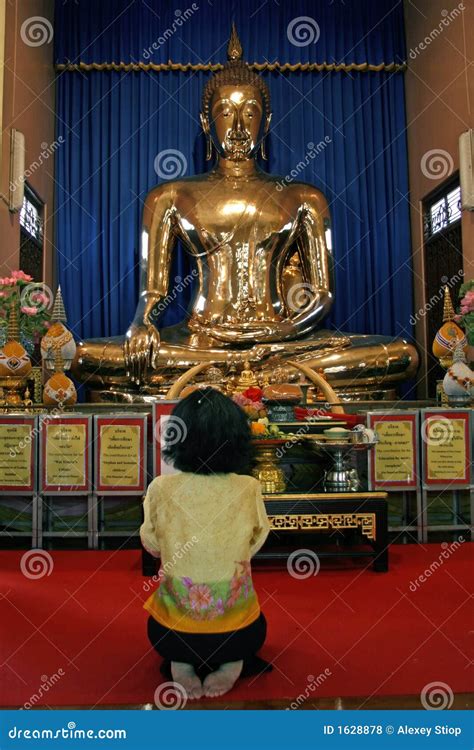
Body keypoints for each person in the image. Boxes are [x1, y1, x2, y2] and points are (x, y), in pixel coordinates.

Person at [140, 387, 271, 699]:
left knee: (165, 625)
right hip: (239, 631)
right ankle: (232, 660)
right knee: (252, 624)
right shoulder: (248, 487)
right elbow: (257, 538)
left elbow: (151, 542)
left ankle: (181, 661)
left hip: (171, 632)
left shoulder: (161, 487)